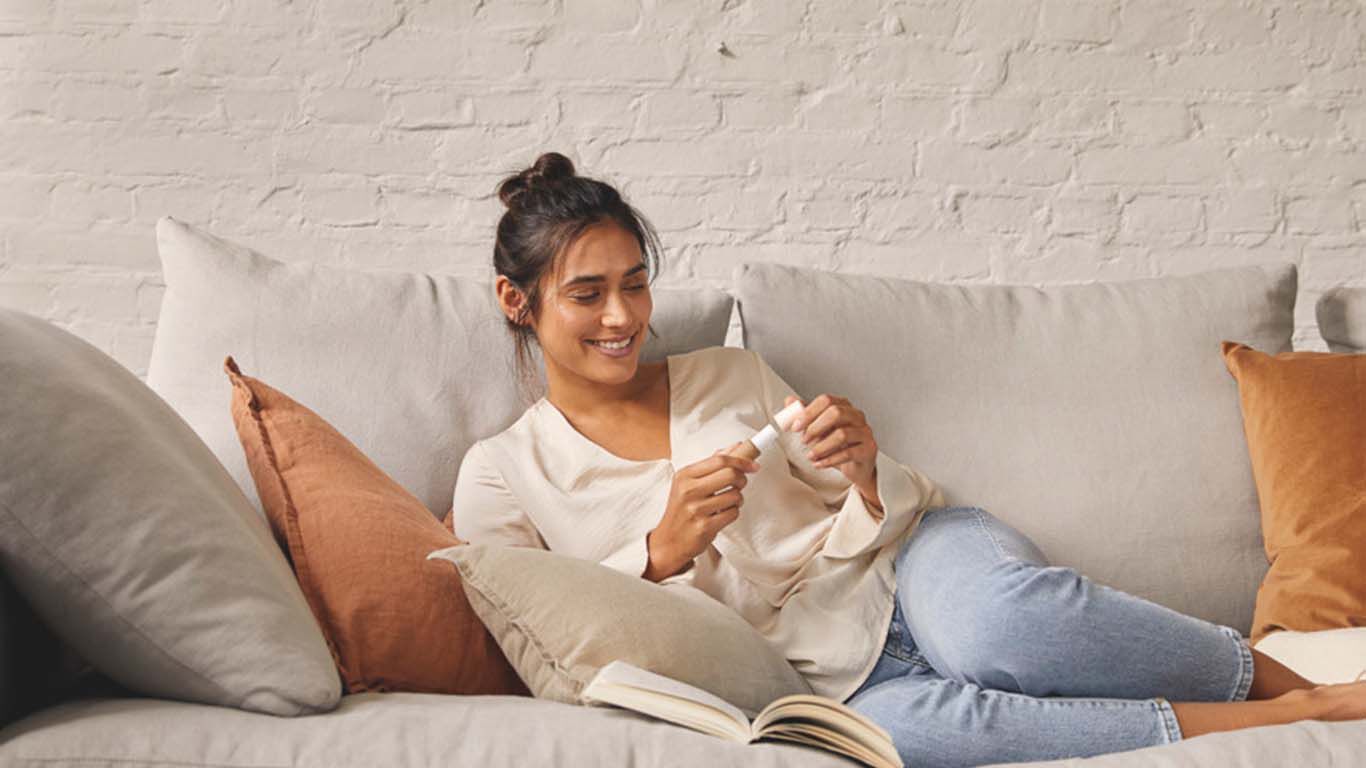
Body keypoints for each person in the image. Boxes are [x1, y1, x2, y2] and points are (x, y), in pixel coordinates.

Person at [453, 151, 1366, 768]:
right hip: (820, 677)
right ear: (516, 299)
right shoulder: (499, 475)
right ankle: (1273, 724)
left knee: (995, 632)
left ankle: (1302, 680)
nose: (623, 318)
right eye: (587, 294)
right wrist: (656, 552)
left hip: (914, 561)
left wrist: (857, 462)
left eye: (635, 283)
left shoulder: (722, 371)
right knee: (904, 739)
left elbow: (871, 498)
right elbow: (553, 650)